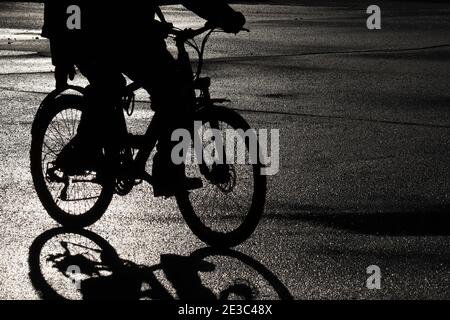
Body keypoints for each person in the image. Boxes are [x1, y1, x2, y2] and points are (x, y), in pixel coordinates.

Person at [42, 1, 246, 197]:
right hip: (92, 39)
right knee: (110, 84)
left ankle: (167, 169)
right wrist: (62, 54)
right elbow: (65, 8)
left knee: (175, 89)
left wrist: (225, 16)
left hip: (134, 39)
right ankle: (88, 149)